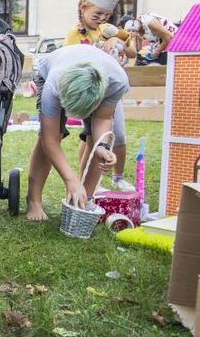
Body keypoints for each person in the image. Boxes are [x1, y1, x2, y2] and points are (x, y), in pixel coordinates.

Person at [24, 44, 129, 221]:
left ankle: (83, 201)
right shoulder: (54, 83)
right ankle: (33, 200)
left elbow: (102, 119)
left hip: (99, 78)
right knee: (52, 133)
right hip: (52, 71)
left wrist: (102, 147)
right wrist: (70, 180)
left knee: (95, 141)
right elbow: (49, 140)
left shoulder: (117, 82)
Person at [64, 0, 132, 191]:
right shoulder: (75, 34)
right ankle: (87, 181)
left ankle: (118, 177)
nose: (102, 18)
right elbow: (75, 61)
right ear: (83, 8)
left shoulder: (106, 30)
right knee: (92, 137)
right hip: (92, 90)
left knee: (118, 136)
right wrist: (102, 48)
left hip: (111, 90)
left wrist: (117, 41)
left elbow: (131, 49)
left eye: (107, 15)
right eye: (97, 14)